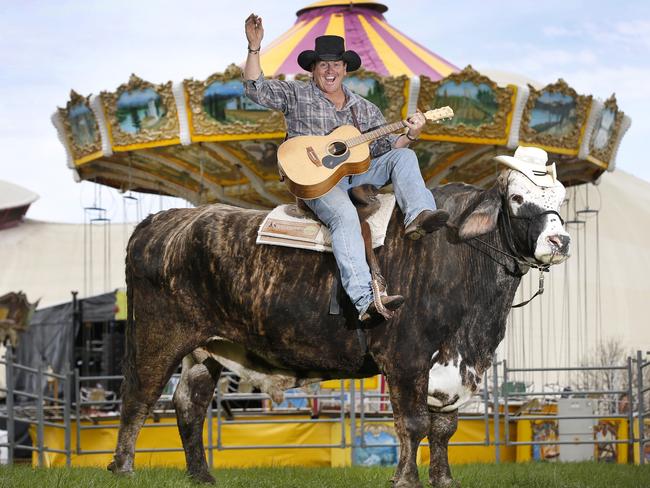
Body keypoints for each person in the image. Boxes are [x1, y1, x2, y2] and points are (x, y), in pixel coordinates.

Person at [243, 14, 449, 324]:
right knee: (344, 216)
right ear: (313, 68)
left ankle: (418, 216)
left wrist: (411, 134)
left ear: (345, 68)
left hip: (356, 175)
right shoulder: (297, 94)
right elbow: (255, 89)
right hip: (318, 182)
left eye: (335, 64)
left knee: (405, 158)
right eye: (323, 64)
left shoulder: (363, 108)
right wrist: (255, 47)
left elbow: (388, 149)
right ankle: (366, 300)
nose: (329, 69)